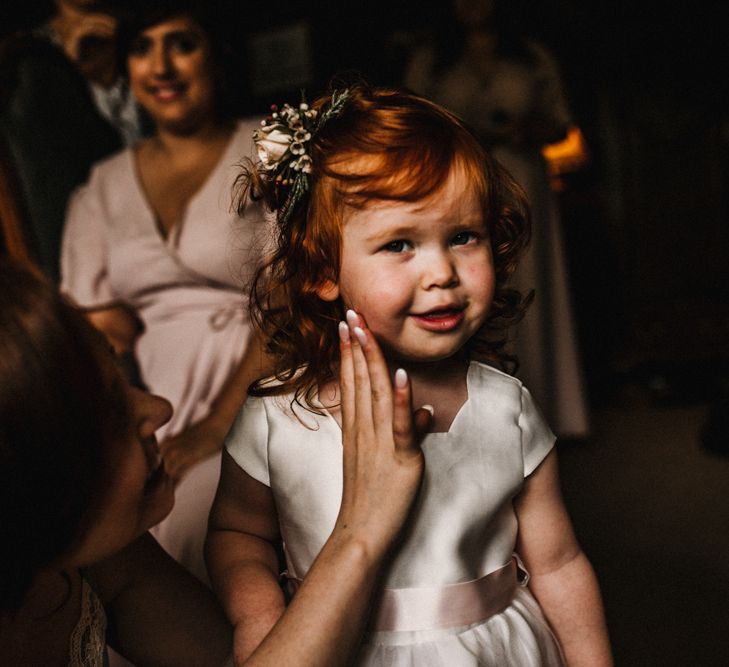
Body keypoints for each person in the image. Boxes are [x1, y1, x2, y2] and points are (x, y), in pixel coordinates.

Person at [206, 83, 613, 666]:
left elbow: (559, 563)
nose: (443, 272)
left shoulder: (506, 407)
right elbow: (236, 533)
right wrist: (259, 616)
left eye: (463, 237)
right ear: (322, 270)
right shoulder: (275, 415)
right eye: (400, 244)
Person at [0, 258, 425, 666]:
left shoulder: (105, 557)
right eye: (112, 419)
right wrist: (362, 529)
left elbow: (229, 658)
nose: (160, 410)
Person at [61, 0, 266, 583]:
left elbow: (290, 305)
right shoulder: (101, 187)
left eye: (181, 43)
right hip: (153, 401)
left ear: (216, 59)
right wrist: (121, 433)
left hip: (261, 384)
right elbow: (101, 332)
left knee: (201, 508)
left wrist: (215, 426)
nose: (162, 66)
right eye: (142, 48)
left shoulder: (268, 152)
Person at [403, 0, 589, 438]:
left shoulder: (531, 56)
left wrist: (527, 129)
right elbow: (409, 125)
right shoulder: (429, 61)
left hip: (523, 182)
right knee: (467, 285)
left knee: (530, 288)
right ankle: (476, 416)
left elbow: (562, 123)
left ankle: (548, 409)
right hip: (456, 186)